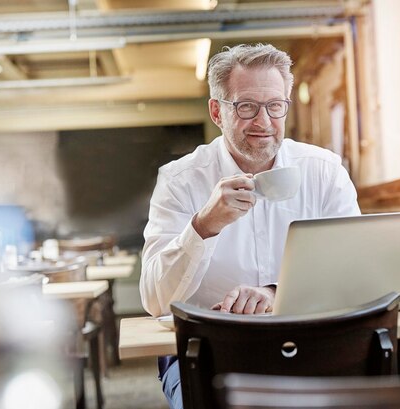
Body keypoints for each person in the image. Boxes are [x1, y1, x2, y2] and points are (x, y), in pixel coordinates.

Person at [139, 43, 360, 409]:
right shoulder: (179, 181)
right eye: (246, 107)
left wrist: (278, 292)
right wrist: (203, 226)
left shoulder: (323, 171)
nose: (263, 122)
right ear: (217, 111)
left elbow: (356, 268)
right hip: (208, 350)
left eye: (275, 106)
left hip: (310, 342)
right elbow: (154, 300)